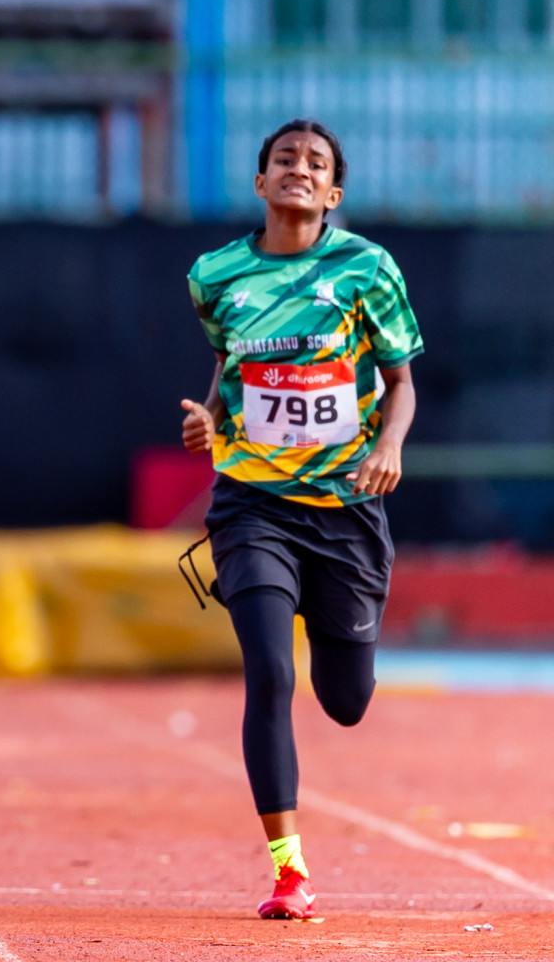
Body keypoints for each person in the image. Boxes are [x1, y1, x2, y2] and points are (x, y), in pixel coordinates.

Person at [178, 119, 423, 920]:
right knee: (269, 673)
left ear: (333, 192)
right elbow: (229, 362)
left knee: (345, 699)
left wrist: (388, 444)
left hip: (347, 505)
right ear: (261, 182)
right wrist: (209, 416)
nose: (298, 171)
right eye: (285, 160)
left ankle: (343, 629)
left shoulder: (365, 269)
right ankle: (289, 869)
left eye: (315, 164)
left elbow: (401, 380)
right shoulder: (216, 274)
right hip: (252, 500)